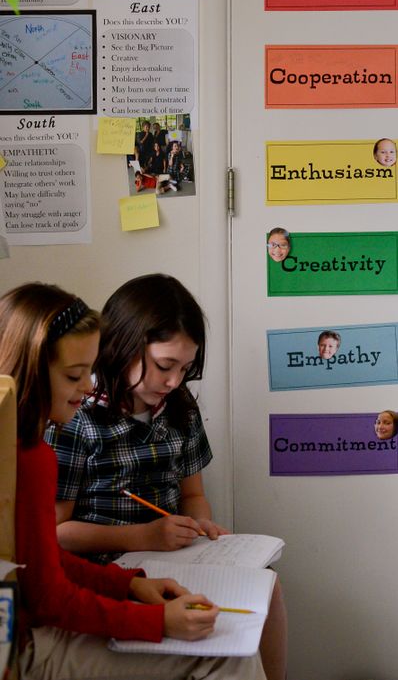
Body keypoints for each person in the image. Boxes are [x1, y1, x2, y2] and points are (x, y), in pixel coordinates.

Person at [0, 281, 265, 680]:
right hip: (21, 640)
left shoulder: (27, 447)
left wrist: (128, 585)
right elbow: (50, 592)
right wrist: (154, 620)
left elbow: (42, 564)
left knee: (259, 600)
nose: (87, 386)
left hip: (60, 606)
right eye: (75, 375)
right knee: (231, 654)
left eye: (88, 372)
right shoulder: (41, 449)